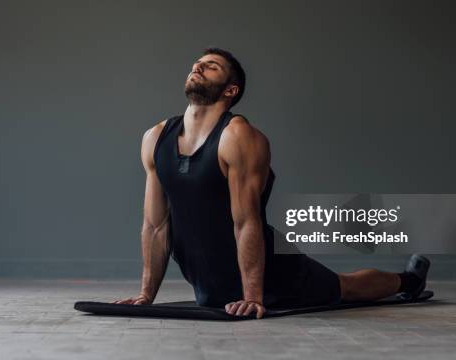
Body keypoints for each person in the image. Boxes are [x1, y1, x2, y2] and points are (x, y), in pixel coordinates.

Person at [114, 47, 430, 319]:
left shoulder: (238, 137)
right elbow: (156, 226)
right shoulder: (155, 138)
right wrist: (146, 296)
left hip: (271, 271)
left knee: (344, 287)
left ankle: (409, 281)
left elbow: (246, 222)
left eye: (211, 66)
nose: (198, 67)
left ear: (230, 90)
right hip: (207, 275)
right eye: (197, 63)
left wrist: (253, 296)